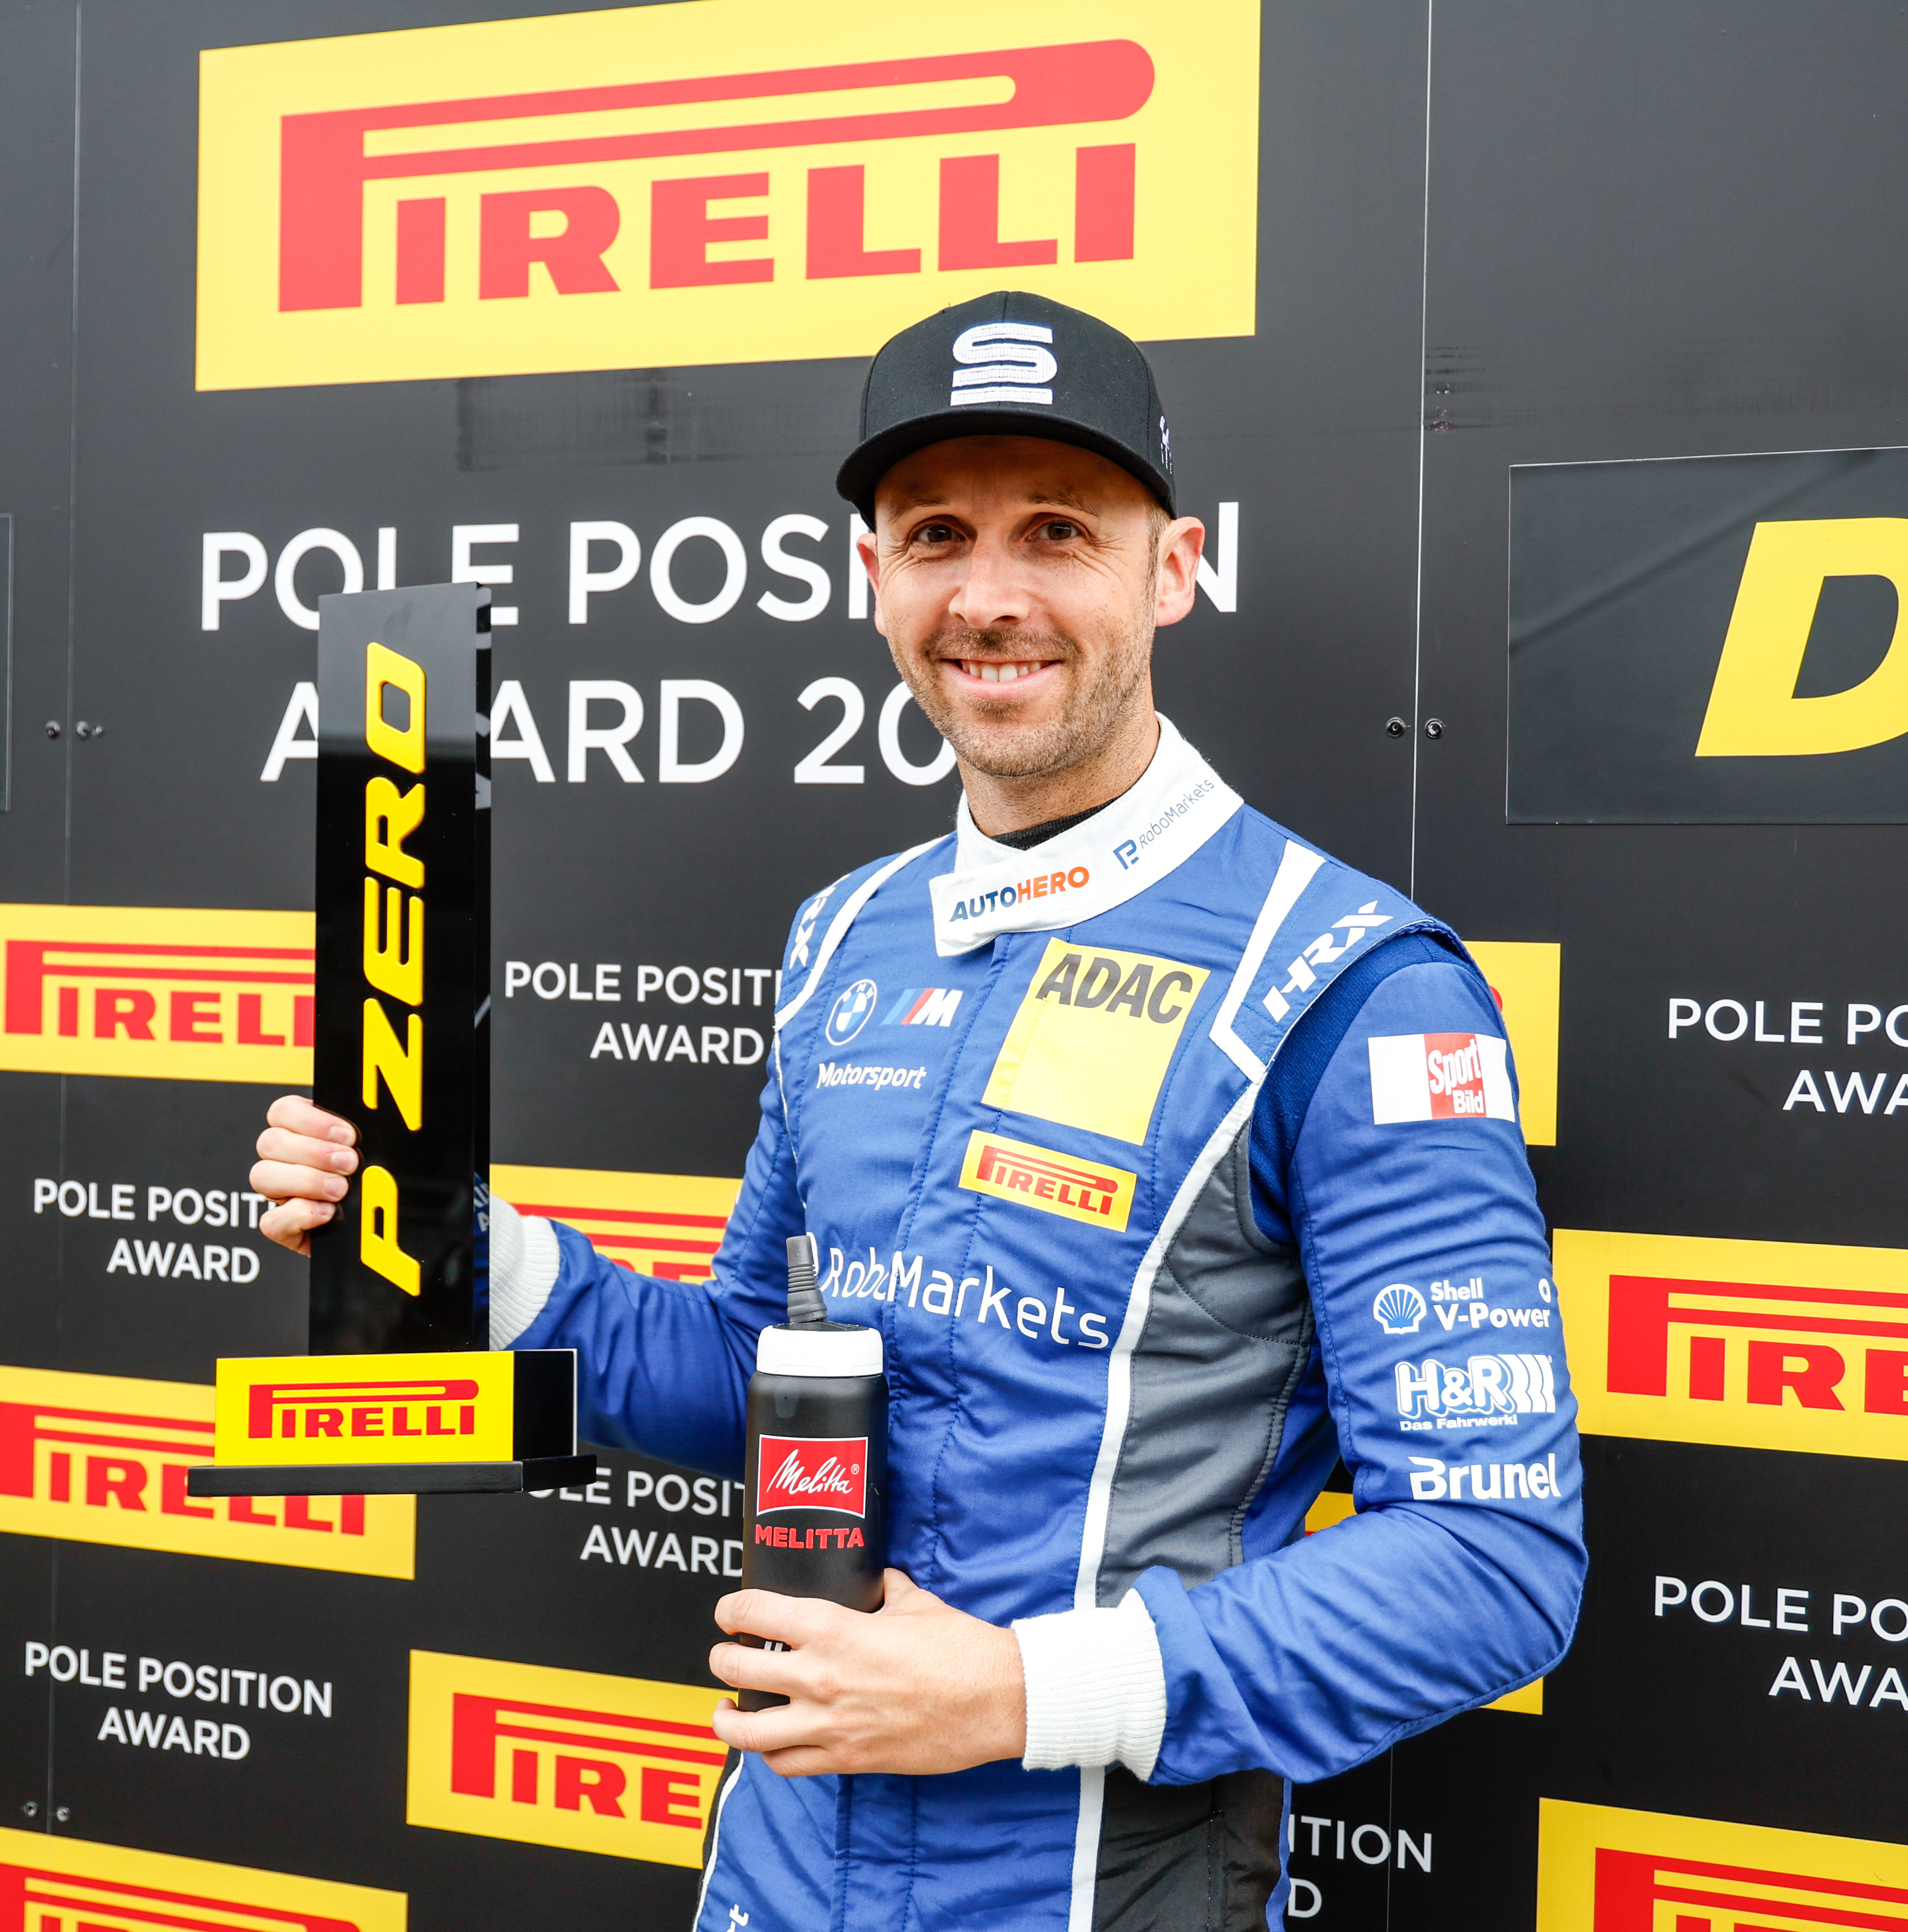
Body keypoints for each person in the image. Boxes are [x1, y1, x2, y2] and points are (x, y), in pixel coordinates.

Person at [252, 290, 1584, 1932]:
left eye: (1059, 532)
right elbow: (758, 1381)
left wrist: (1020, 1692)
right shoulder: (848, 939)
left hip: (1093, 1886)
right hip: (778, 1865)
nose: (991, 595)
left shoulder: (1353, 987)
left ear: (1172, 569)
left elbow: (1491, 1564)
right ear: (872, 577)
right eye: (937, 533)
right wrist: (453, 1245)